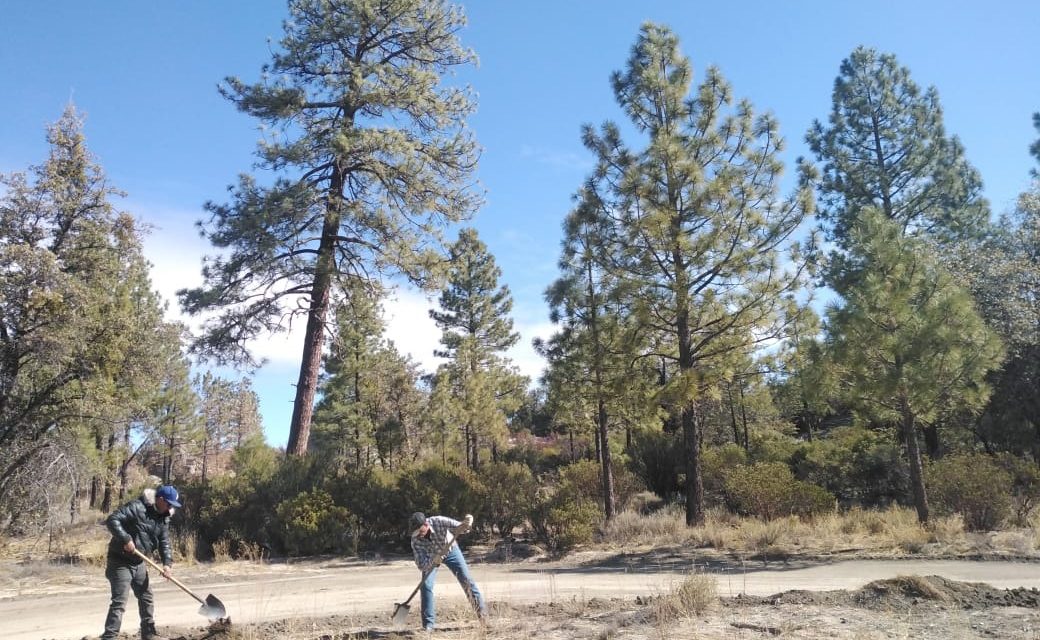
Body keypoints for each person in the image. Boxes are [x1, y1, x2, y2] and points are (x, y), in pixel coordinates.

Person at [100, 485, 181, 640]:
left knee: (146, 597)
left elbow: (164, 542)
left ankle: (148, 633)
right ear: (160, 499)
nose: (170, 508)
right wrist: (126, 539)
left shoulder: (164, 517)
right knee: (119, 603)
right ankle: (109, 637)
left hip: (139, 562)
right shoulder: (137, 507)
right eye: (169, 504)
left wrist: (167, 564)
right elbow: (112, 520)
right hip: (120, 561)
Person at [410, 511, 486, 631]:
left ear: (426, 524)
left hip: (450, 550)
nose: (419, 535)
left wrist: (466, 523)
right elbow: (421, 565)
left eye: (420, 531)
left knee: (467, 581)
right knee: (426, 586)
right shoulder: (415, 540)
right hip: (432, 558)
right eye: (416, 533)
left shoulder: (439, 521)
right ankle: (428, 626)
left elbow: (459, 528)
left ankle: (484, 619)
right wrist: (433, 560)